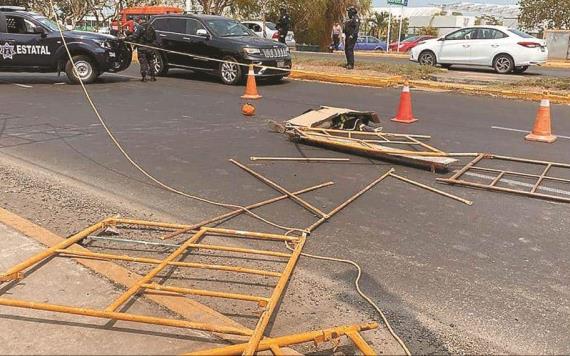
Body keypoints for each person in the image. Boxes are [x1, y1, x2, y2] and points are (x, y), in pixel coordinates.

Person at [127, 17, 157, 82]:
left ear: (140, 20)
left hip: (142, 47)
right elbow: (155, 37)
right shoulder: (151, 27)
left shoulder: (139, 27)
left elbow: (135, 36)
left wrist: (127, 38)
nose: (137, 22)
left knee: (143, 62)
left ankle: (144, 77)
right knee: (151, 61)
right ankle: (153, 76)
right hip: (150, 47)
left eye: (137, 21)